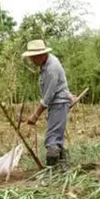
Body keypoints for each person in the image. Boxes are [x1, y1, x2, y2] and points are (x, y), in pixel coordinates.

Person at [24, 39, 74, 171]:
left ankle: (52, 171)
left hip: (58, 103)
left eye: (33, 58)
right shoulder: (46, 63)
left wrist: (35, 115)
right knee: (56, 136)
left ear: (41, 55)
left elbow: (48, 95)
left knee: (52, 140)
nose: (31, 61)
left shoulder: (52, 68)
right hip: (58, 103)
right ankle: (62, 168)